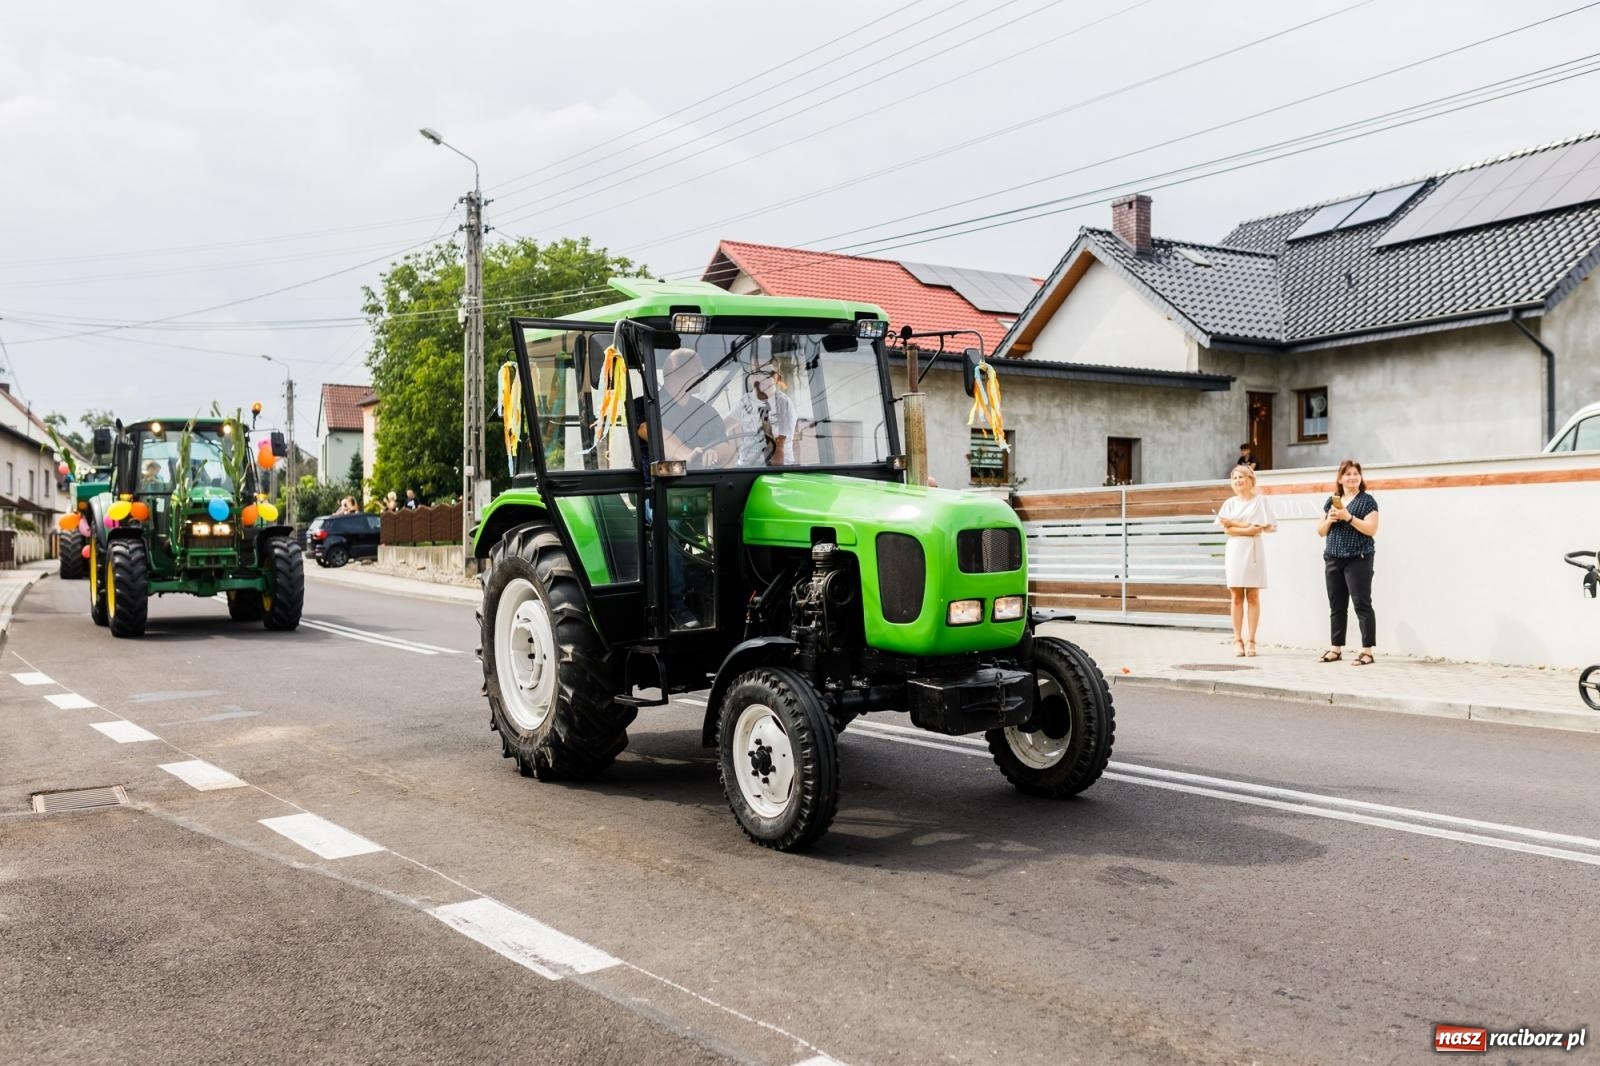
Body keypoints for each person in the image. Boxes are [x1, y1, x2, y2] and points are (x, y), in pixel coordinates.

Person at [1317, 459, 1381, 665]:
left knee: (1362, 604)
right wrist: (1330, 519)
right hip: (1333, 558)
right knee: (1336, 605)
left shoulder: (1367, 501)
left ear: (1360, 477)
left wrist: (1348, 517)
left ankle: (1367, 651)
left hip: (1358, 558)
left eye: (1356, 473)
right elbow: (1320, 532)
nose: (1352, 477)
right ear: (1340, 478)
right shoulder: (1332, 500)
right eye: (1348, 474)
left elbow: (1372, 529)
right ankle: (1336, 648)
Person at [1216, 464, 1276, 657]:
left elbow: (1257, 528)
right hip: (1234, 550)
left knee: (1252, 596)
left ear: (1251, 479)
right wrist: (1243, 527)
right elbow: (1227, 530)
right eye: (1234, 478)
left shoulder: (1260, 502)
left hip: (1253, 551)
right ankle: (1237, 640)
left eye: (1241, 477)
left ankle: (1251, 640)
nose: (1238, 481)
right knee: (1236, 596)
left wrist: (1233, 523)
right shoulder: (1229, 503)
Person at [733, 358, 797, 467]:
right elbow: (724, 425)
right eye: (755, 373)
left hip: (775, 466)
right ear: (749, 378)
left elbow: (779, 445)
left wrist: (773, 473)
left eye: (767, 373)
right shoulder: (746, 400)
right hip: (746, 465)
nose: (760, 379)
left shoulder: (782, 402)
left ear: (777, 377)